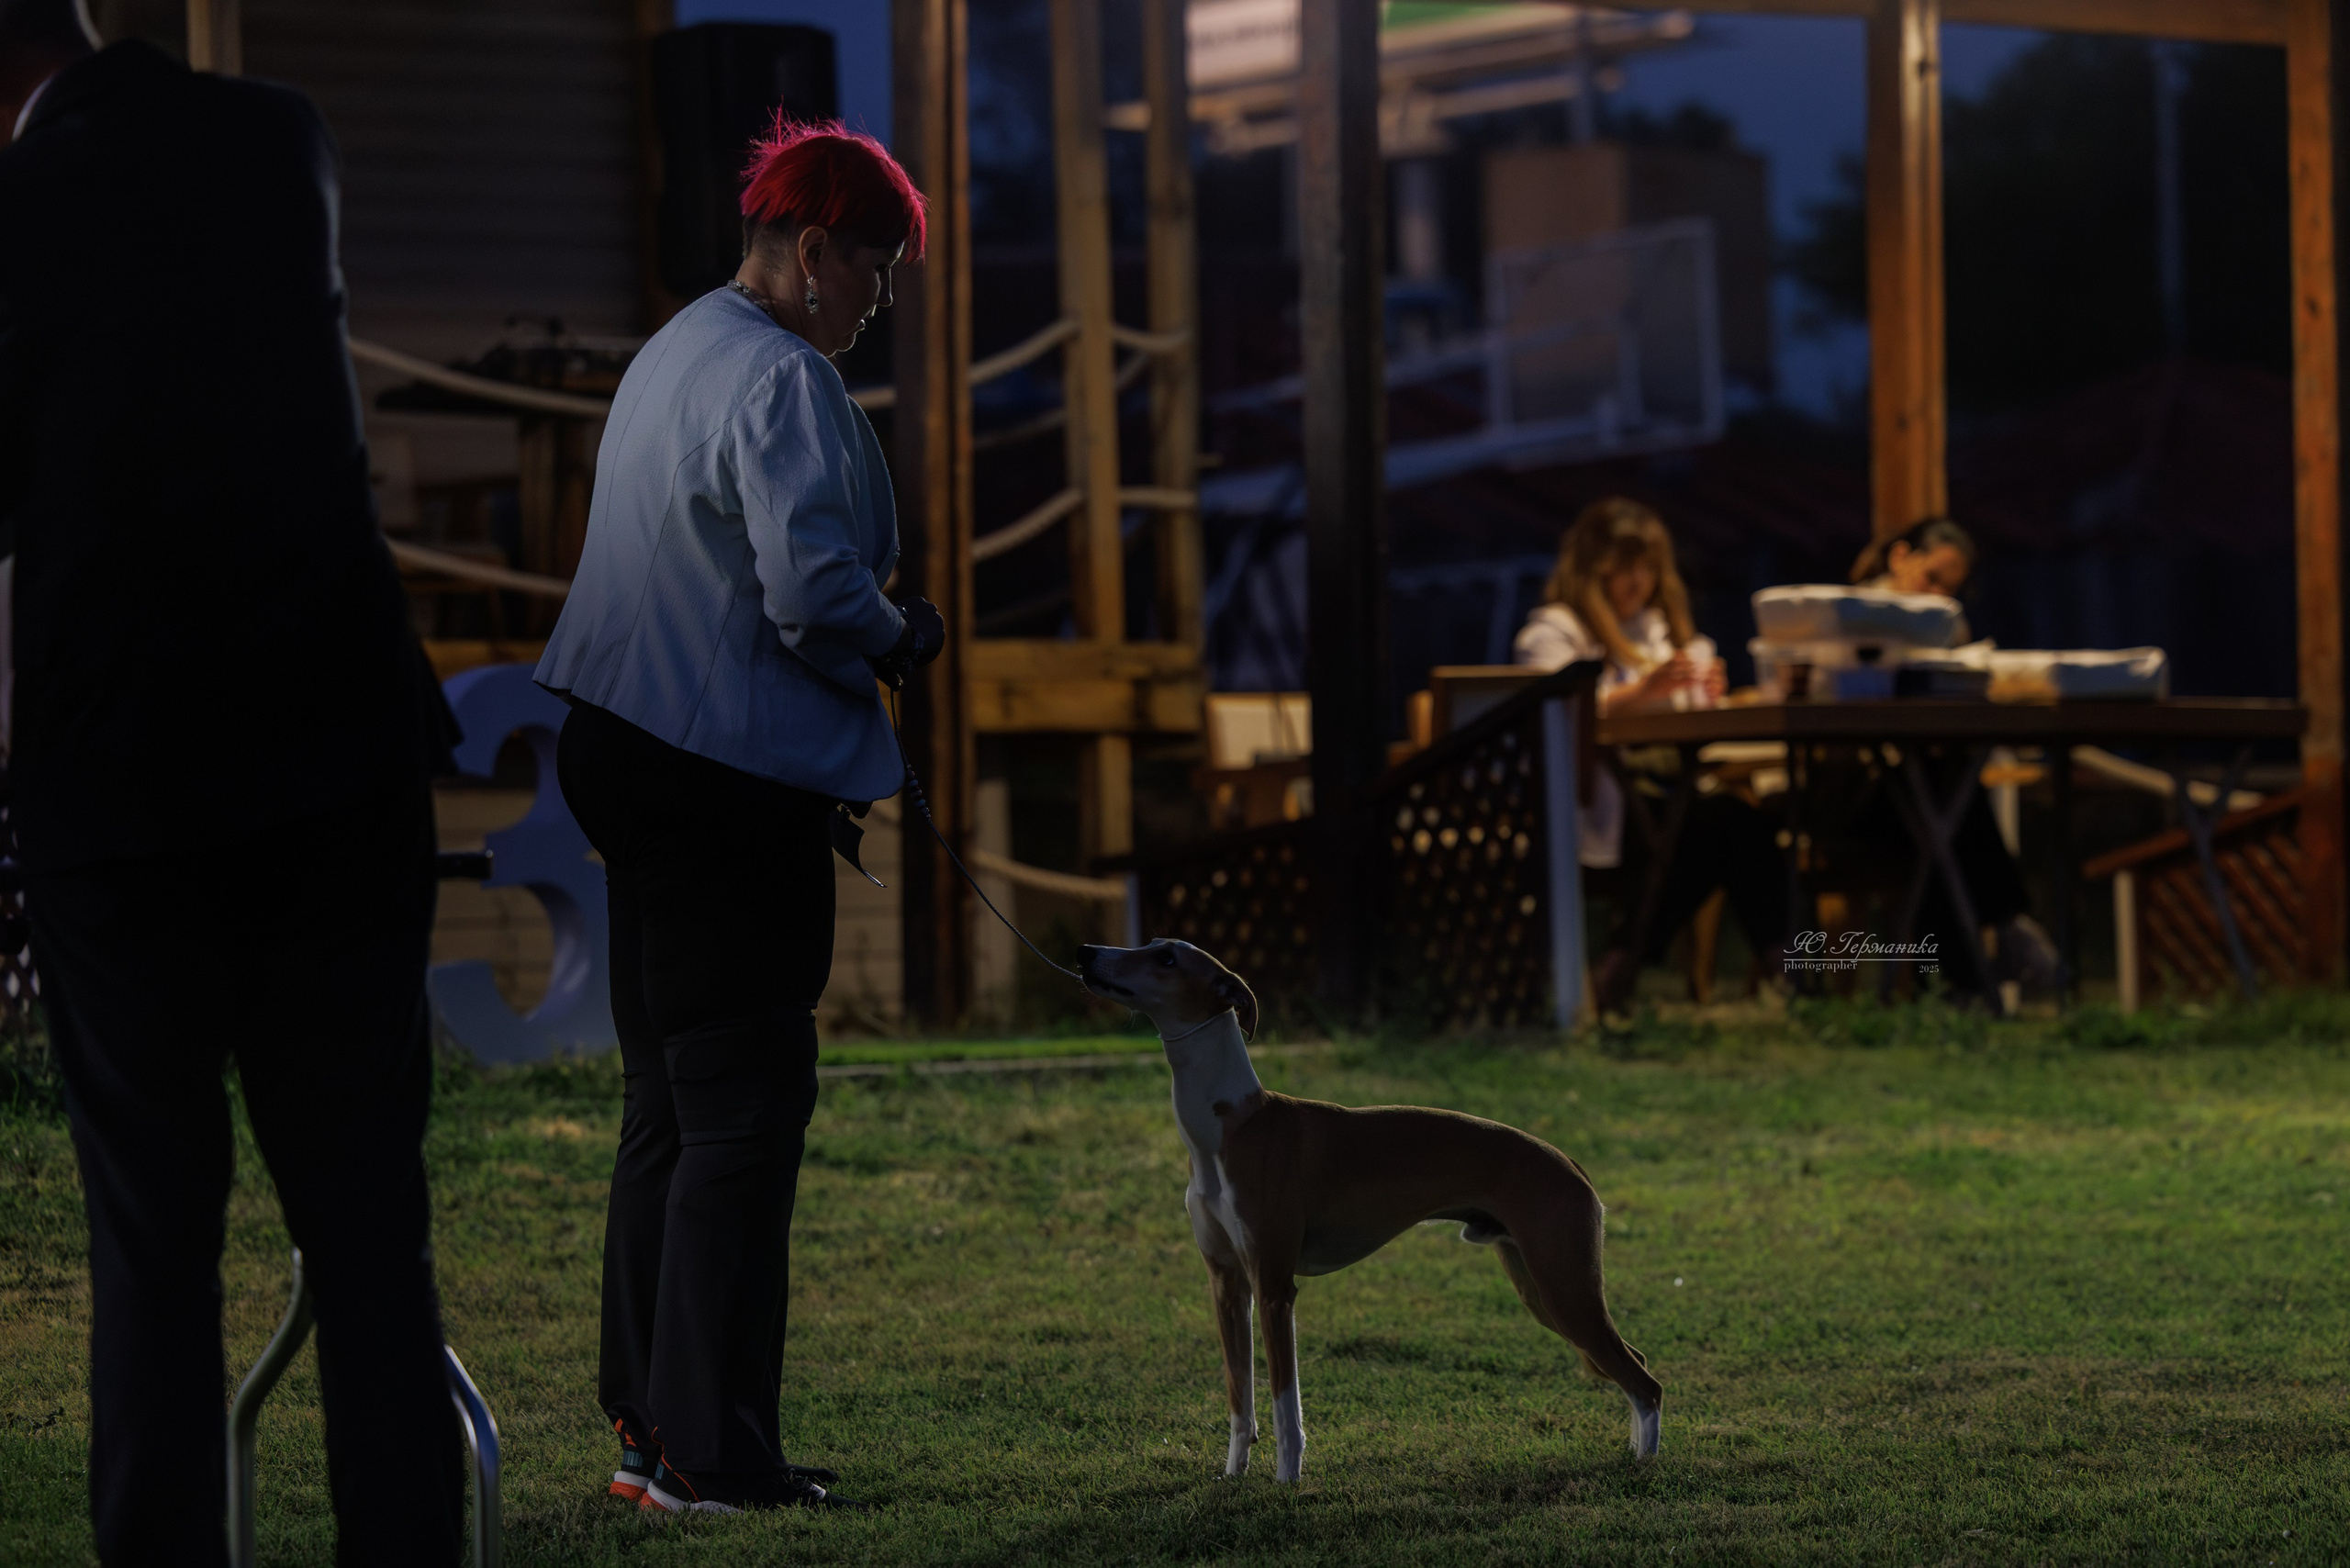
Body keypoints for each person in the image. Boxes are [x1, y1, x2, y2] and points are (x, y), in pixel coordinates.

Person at [0, 6, 465, 1564]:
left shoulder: (21, 208)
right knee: (366, 1230)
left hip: (129, 780)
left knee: (155, 1238)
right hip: (339, 753)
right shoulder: (283, 140)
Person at [534, 118, 939, 1516]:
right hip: (720, 771)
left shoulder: (676, 346)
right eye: (876, 271)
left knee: (673, 1102)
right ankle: (715, 1456)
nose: (879, 302)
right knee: (745, 1109)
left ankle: (653, 1430)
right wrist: (901, 636)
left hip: (617, 743)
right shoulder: (786, 379)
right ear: (817, 251)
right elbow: (812, 593)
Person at [1515, 498, 1786, 1013]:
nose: (1637, 581)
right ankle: (1792, 978)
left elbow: (1689, 705)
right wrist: (1645, 692)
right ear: (1594, 569)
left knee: (1736, 828)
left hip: (1661, 792)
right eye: (1624, 566)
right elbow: (1561, 708)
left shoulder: (1657, 629)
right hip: (1587, 804)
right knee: (1716, 831)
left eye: (1646, 566)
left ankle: (1622, 968)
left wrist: (1707, 687)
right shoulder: (1553, 631)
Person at [1845, 515, 2058, 995]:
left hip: (1915, 789)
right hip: (1856, 794)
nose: (1939, 596)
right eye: (1932, 578)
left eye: (1951, 589)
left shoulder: (1946, 624)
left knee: (1941, 810)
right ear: (1901, 557)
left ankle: (1959, 981)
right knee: (1942, 810)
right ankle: (2002, 935)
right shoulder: (1853, 615)